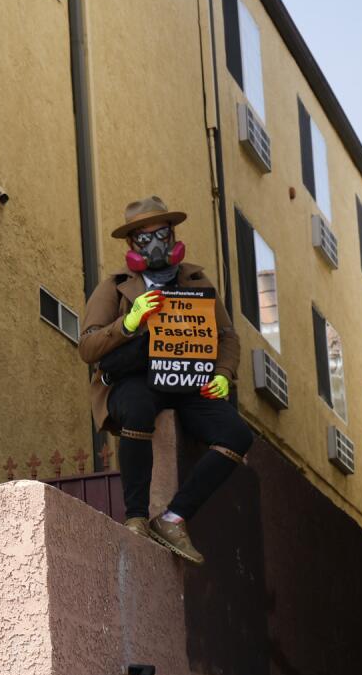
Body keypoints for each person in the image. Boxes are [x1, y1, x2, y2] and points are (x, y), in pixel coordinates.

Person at [78, 195, 253, 564]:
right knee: (138, 408)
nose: (155, 242)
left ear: (172, 234)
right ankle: (137, 517)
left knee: (237, 435)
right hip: (137, 379)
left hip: (188, 380)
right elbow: (88, 346)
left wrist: (223, 374)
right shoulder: (115, 287)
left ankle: (173, 519)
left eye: (161, 233)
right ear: (131, 244)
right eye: (144, 237)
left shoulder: (196, 280)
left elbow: (227, 336)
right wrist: (128, 322)